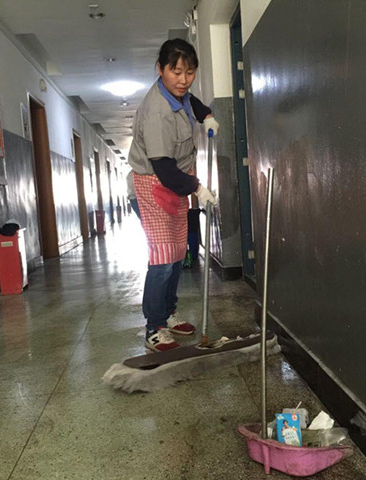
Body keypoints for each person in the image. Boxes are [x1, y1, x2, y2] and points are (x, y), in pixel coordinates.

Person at [128, 38, 219, 352]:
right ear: (160, 69)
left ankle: (168, 313)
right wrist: (198, 188)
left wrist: (206, 115)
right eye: (176, 72)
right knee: (163, 259)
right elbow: (165, 171)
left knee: (177, 254)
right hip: (152, 185)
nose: (183, 80)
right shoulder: (157, 113)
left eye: (189, 72)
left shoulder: (178, 95)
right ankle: (154, 327)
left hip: (174, 183)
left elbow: (191, 101)